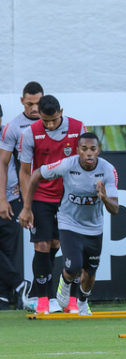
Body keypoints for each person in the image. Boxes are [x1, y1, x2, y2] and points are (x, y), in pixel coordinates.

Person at [20, 132, 118, 315]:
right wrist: (27, 207)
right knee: (73, 267)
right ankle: (63, 286)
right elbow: (36, 175)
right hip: (69, 223)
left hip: (94, 227)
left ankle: (82, 302)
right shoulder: (67, 165)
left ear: (99, 150)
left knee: (90, 272)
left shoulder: (108, 170)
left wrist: (104, 198)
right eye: (84, 149)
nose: (89, 153)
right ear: (77, 150)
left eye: (93, 149)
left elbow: (115, 208)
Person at [18, 95, 87, 314]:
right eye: (45, 121)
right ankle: (42, 299)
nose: (49, 125)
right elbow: (25, 171)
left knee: (60, 245)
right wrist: (26, 206)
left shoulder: (78, 128)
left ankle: (68, 300)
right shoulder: (30, 133)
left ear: (61, 112)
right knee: (42, 246)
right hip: (41, 197)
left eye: (53, 120)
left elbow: (86, 162)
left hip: (69, 198)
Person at [0, 82, 44, 310]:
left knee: (10, 250)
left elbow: (15, 167)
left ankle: (7, 299)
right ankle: (18, 285)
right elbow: (5, 165)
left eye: (38, 103)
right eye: (30, 104)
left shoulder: (7, 132)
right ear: (22, 102)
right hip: (9, 197)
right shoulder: (14, 128)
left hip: (15, 197)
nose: (35, 108)